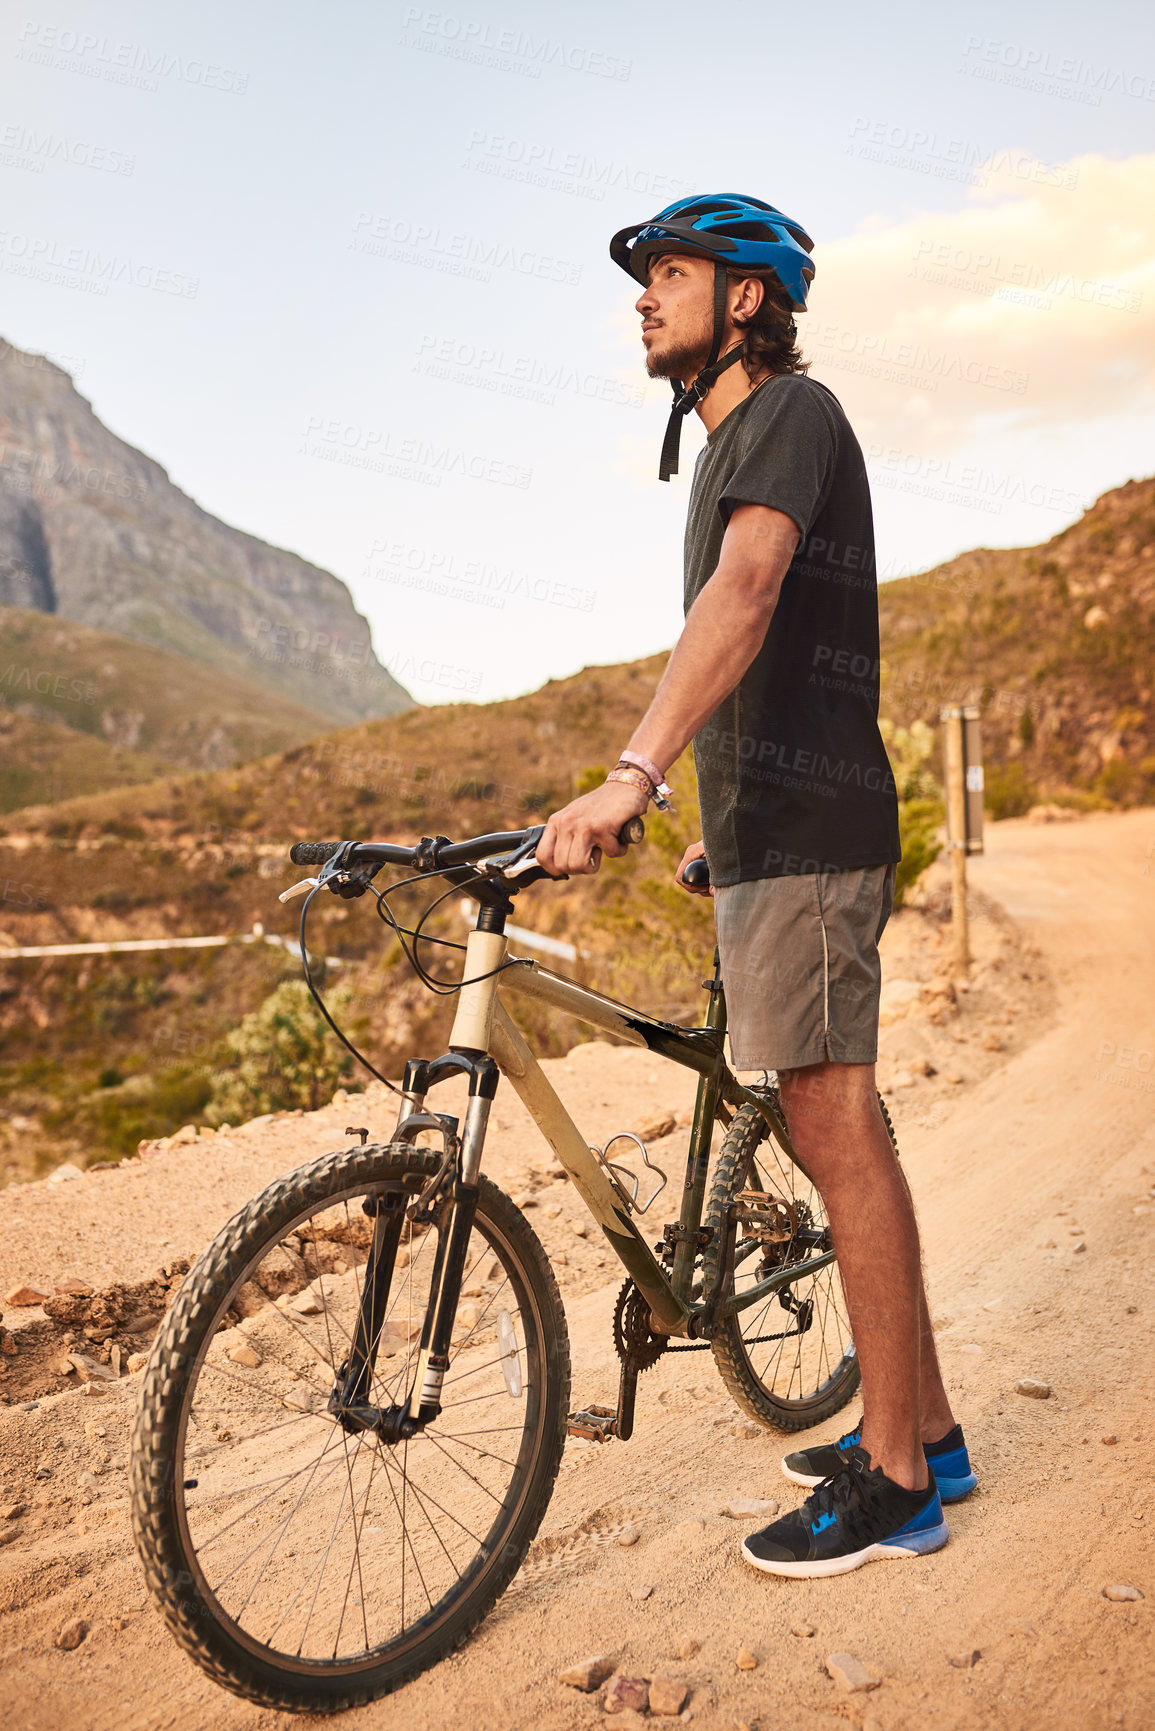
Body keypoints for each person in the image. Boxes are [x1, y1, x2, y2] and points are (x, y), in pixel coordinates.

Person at [535, 195, 977, 1578]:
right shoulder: (736, 438)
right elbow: (772, 654)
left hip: (821, 838)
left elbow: (751, 592)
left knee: (836, 1130)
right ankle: (935, 1431)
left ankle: (899, 1481)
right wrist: (725, 818)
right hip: (778, 836)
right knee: (819, 1123)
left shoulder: (789, 412)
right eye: (647, 277)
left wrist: (634, 772)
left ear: (743, 300)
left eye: (670, 273)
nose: (644, 297)